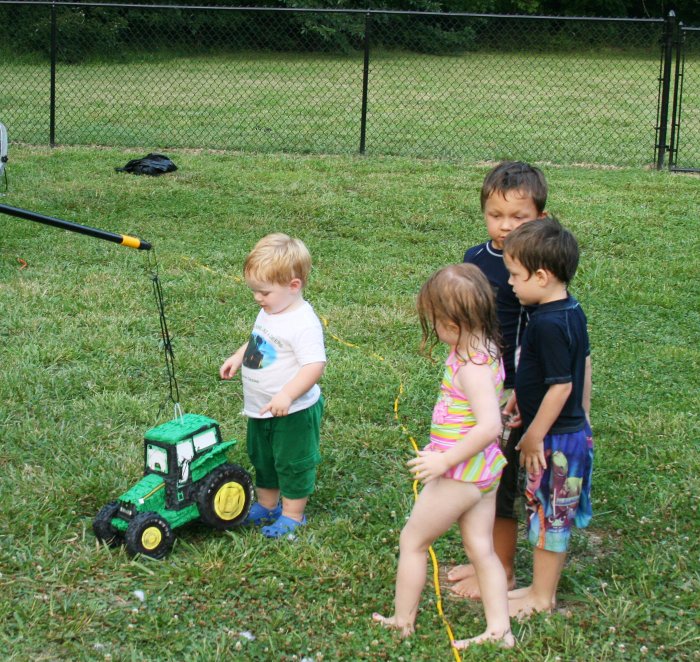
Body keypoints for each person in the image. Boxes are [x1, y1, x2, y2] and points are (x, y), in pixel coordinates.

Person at [373, 264, 515, 649]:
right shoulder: (484, 347)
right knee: (481, 549)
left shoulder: (471, 368)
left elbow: (489, 426)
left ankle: (402, 621)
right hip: (484, 472)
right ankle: (500, 630)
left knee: (413, 541)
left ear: (452, 322)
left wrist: (444, 460)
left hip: (461, 473)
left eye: (434, 320)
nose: (433, 328)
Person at [448, 161, 548, 599]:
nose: (505, 226)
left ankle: (503, 568)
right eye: (496, 215)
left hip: (511, 394)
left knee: (501, 480)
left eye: (518, 217)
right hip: (477, 385)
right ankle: (481, 558)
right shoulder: (474, 258)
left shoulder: (536, 268)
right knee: (476, 471)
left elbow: (540, 336)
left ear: (540, 218)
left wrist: (524, 393)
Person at [502, 217, 593, 617]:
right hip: (555, 434)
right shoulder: (565, 310)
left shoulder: (550, 323)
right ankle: (536, 588)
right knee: (540, 510)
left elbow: (562, 387)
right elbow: (545, 373)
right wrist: (520, 397)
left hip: (557, 442)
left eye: (515, 276)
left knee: (551, 519)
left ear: (541, 276)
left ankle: (543, 598)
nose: (510, 283)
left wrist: (535, 435)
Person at [219, 233, 326, 539]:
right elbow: (259, 339)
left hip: (293, 412)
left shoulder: (303, 322)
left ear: (294, 286)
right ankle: (267, 505)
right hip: (260, 408)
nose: (257, 298)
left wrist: (287, 395)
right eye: (254, 291)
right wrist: (238, 356)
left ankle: (293, 514)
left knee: (293, 461)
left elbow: (314, 366)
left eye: (263, 292)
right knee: (263, 457)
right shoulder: (271, 310)